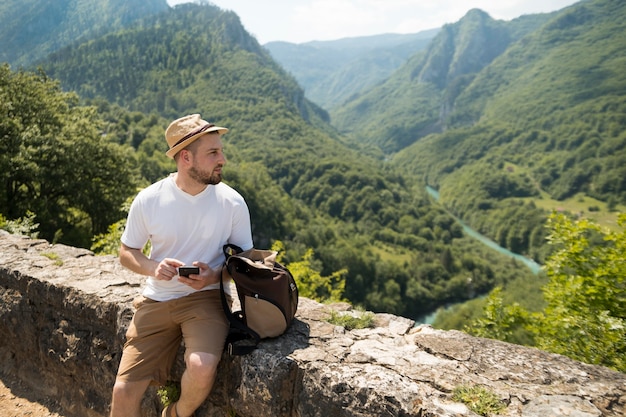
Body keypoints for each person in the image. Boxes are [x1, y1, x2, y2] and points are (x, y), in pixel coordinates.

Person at [109, 114, 253, 417]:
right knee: (122, 393)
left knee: (201, 368)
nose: (222, 159)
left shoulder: (232, 202)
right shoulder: (149, 199)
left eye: (221, 150)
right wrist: (153, 268)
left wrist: (214, 275)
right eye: (213, 153)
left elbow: (246, 263)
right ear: (186, 157)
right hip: (156, 298)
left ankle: (175, 414)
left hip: (206, 299)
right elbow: (126, 251)